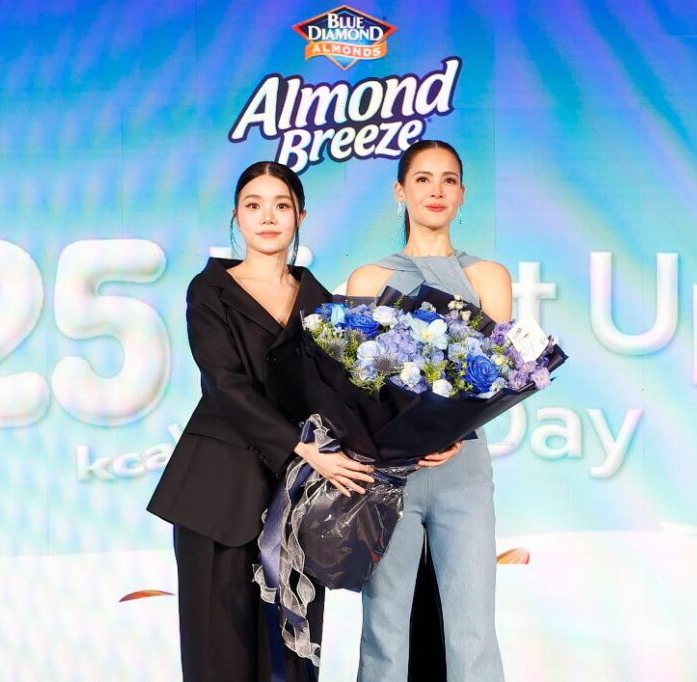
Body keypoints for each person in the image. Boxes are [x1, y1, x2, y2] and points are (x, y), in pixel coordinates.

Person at [148, 161, 376, 682]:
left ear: (300, 216)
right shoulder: (210, 290)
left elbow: (344, 397)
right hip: (217, 494)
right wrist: (302, 447)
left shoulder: (324, 303)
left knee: (293, 659)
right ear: (237, 216)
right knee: (217, 657)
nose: (267, 217)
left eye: (281, 206)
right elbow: (225, 385)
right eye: (254, 205)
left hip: (300, 502)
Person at [347, 140, 511, 682]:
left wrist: (453, 432)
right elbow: (360, 387)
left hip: (462, 470)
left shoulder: (488, 277)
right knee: (384, 631)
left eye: (448, 180)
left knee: (472, 631)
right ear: (401, 191)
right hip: (391, 472)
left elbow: (497, 378)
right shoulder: (369, 279)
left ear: (462, 194)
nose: (435, 191)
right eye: (422, 179)